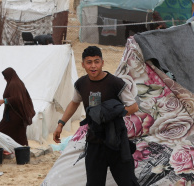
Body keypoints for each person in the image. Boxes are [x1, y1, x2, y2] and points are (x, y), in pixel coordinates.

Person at [54, 46, 139, 186]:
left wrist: (113, 113)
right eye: (89, 62)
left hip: (116, 142)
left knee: (128, 182)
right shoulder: (81, 84)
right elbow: (74, 103)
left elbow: (133, 106)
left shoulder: (115, 83)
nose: (93, 66)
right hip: (94, 142)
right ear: (83, 64)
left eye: (96, 61)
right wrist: (60, 124)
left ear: (102, 63)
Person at [0, 67, 35, 146]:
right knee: (19, 136)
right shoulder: (17, 82)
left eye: (5, 76)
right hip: (16, 116)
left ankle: (0, 149)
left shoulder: (14, 84)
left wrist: (4, 101)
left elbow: (17, 99)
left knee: (0, 133)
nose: (4, 79)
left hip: (15, 116)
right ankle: (22, 152)